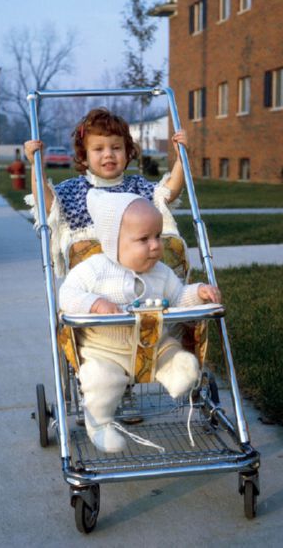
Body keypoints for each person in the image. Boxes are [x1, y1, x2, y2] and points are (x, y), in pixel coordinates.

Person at [59, 189, 221, 453]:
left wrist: (198, 292)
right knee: (100, 382)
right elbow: (67, 294)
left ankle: (175, 374)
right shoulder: (93, 270)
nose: (156, 245)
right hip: (104, 351)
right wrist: (94, 303)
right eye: (144, 239)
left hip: (154, 345)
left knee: (180, 359)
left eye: (157, 236)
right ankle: (99, 425)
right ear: (113, 242)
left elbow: (178, 297)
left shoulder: (162, 273)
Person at [24, 108, 188, 276]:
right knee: (90, 250)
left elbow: (168, 193)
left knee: (169, 245)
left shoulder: (137, 187)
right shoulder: (74, 190)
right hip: (96, 276)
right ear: (83, 157)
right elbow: (47, 203)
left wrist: (181, 158)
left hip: (140, 268)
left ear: (127, 152)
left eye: (116, 148)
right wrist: (35, 165)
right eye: (98, 149)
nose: (108, 154)